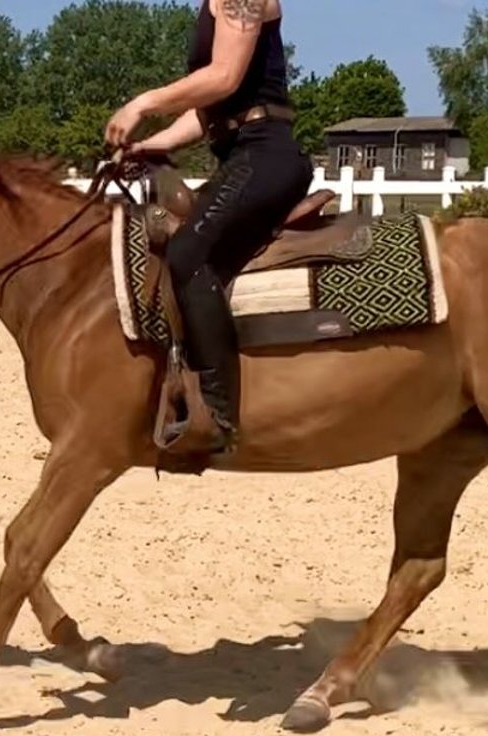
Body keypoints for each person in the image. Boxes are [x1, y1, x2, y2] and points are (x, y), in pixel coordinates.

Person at [105, 0, 313, 452]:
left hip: (265, 155)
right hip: (240, 154)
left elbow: (224, 77)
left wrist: (141, 104)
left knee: (187, 253)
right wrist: (148, 148)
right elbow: (207, 111)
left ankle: (216, 415)